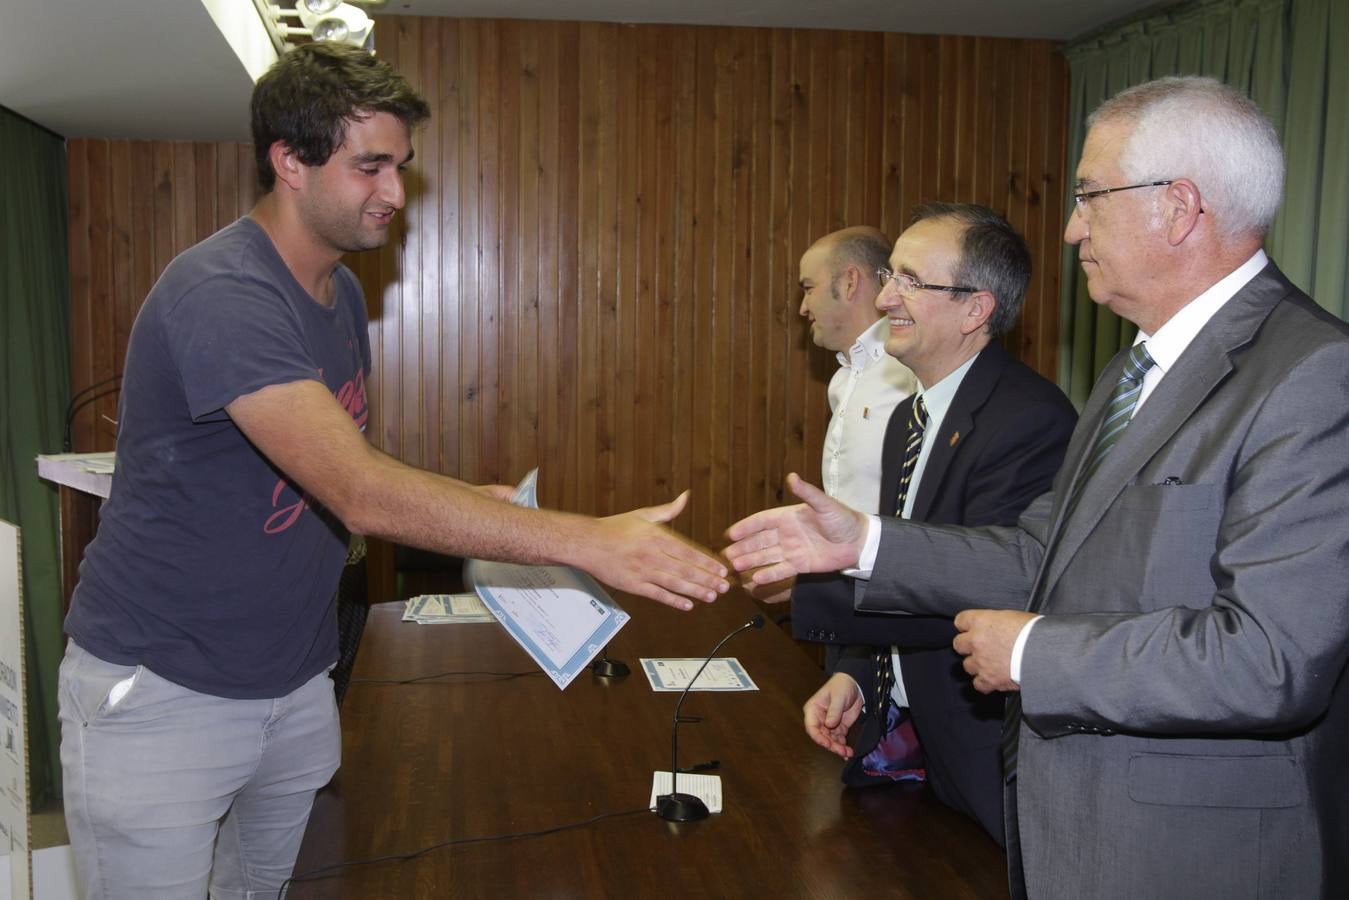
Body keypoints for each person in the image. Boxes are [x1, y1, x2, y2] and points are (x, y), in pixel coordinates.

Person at [58, 43, 728, 900]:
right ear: (289, 162)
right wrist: (590, 542)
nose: (395, 194)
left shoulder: (334, 292)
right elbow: (360, 492)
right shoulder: (221, 292)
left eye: (400, 166)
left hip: (291, 679)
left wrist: (461, 502)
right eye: (369, 166)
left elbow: (338, 456)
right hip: (163, 691)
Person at [724, 76, 1349, 899]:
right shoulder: (1138, 366)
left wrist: (1031, 651)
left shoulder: (1312, 373)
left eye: (1090, 195)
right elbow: (1040, 552)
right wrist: (865, 542)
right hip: (1075, 830)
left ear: (1178, 207)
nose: (1070, 227)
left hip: (1192, 850)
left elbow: (1269, 658)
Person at [796, 204, 1075, 843]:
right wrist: (860, 676)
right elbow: (907, 571)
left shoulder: (1030, 421)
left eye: (912, 281)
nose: (887, 296)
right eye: (891, 275)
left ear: (976, 309)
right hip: (909, 747)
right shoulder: (909, 417)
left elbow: (984, 591)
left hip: (982, 755)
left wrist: (806, 585)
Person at [785, 227, 916, 661]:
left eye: (808, 288)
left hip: (902, 608)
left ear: (850, 282)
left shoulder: (910, 373)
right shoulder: (843, 379)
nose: (802, 307)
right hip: (844, 609)